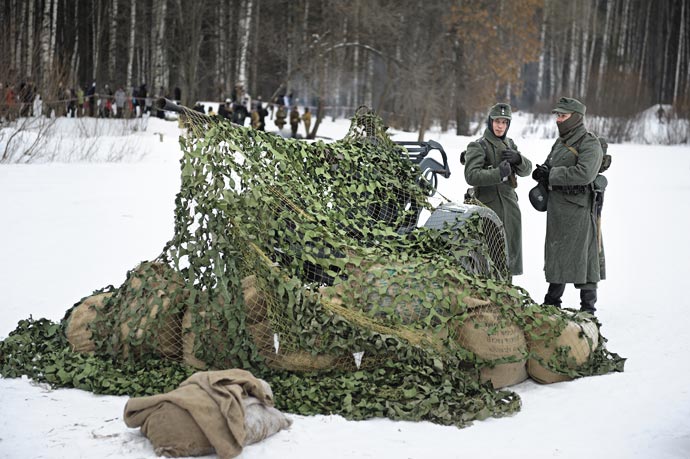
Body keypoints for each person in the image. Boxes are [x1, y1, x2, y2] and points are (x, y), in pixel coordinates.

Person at [532, 97, 604, 314]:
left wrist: (552, 174)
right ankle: (552, 301)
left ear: (576, 118)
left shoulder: (589, 142)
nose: (558, 120)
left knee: (584, 256)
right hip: (557, 209)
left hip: (579, 210)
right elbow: (551, 164)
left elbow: (585, 173)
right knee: (557, 254)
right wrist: (542, 172)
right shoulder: (561, 142)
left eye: (563, 116)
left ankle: (588, 307)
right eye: (557, 115)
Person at [464, 102, 532, 277]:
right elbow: (470, 175)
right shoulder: (478, 145)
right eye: (497, 121)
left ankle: (506, 298)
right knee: (489, 259)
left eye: (504, 122)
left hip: (510, 208)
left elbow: (527, 171)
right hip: (488, 209)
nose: (500, 126)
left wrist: (518, 159)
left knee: (509, 258)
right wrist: (497, 173)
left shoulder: (510, 145)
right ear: (490, 121)